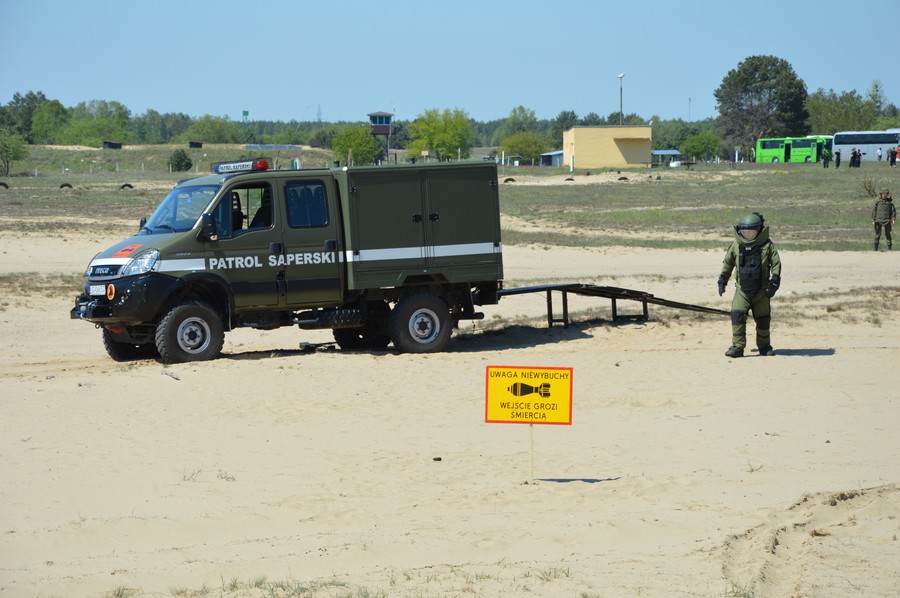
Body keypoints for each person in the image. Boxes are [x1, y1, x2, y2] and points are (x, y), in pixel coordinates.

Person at [717, 212, 782, 358]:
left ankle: (764, 346)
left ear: (759, 231)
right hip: (742, 291)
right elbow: (728, 264)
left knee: (763, 319)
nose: (748, 235)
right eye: (745, 232)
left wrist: (775, 281)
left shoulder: (767, 246)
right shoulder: (736, 246)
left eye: (751, 232)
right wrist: (722, 280)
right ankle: (737, 347)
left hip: (762, 292)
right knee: (737, 316)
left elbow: (776, 264)